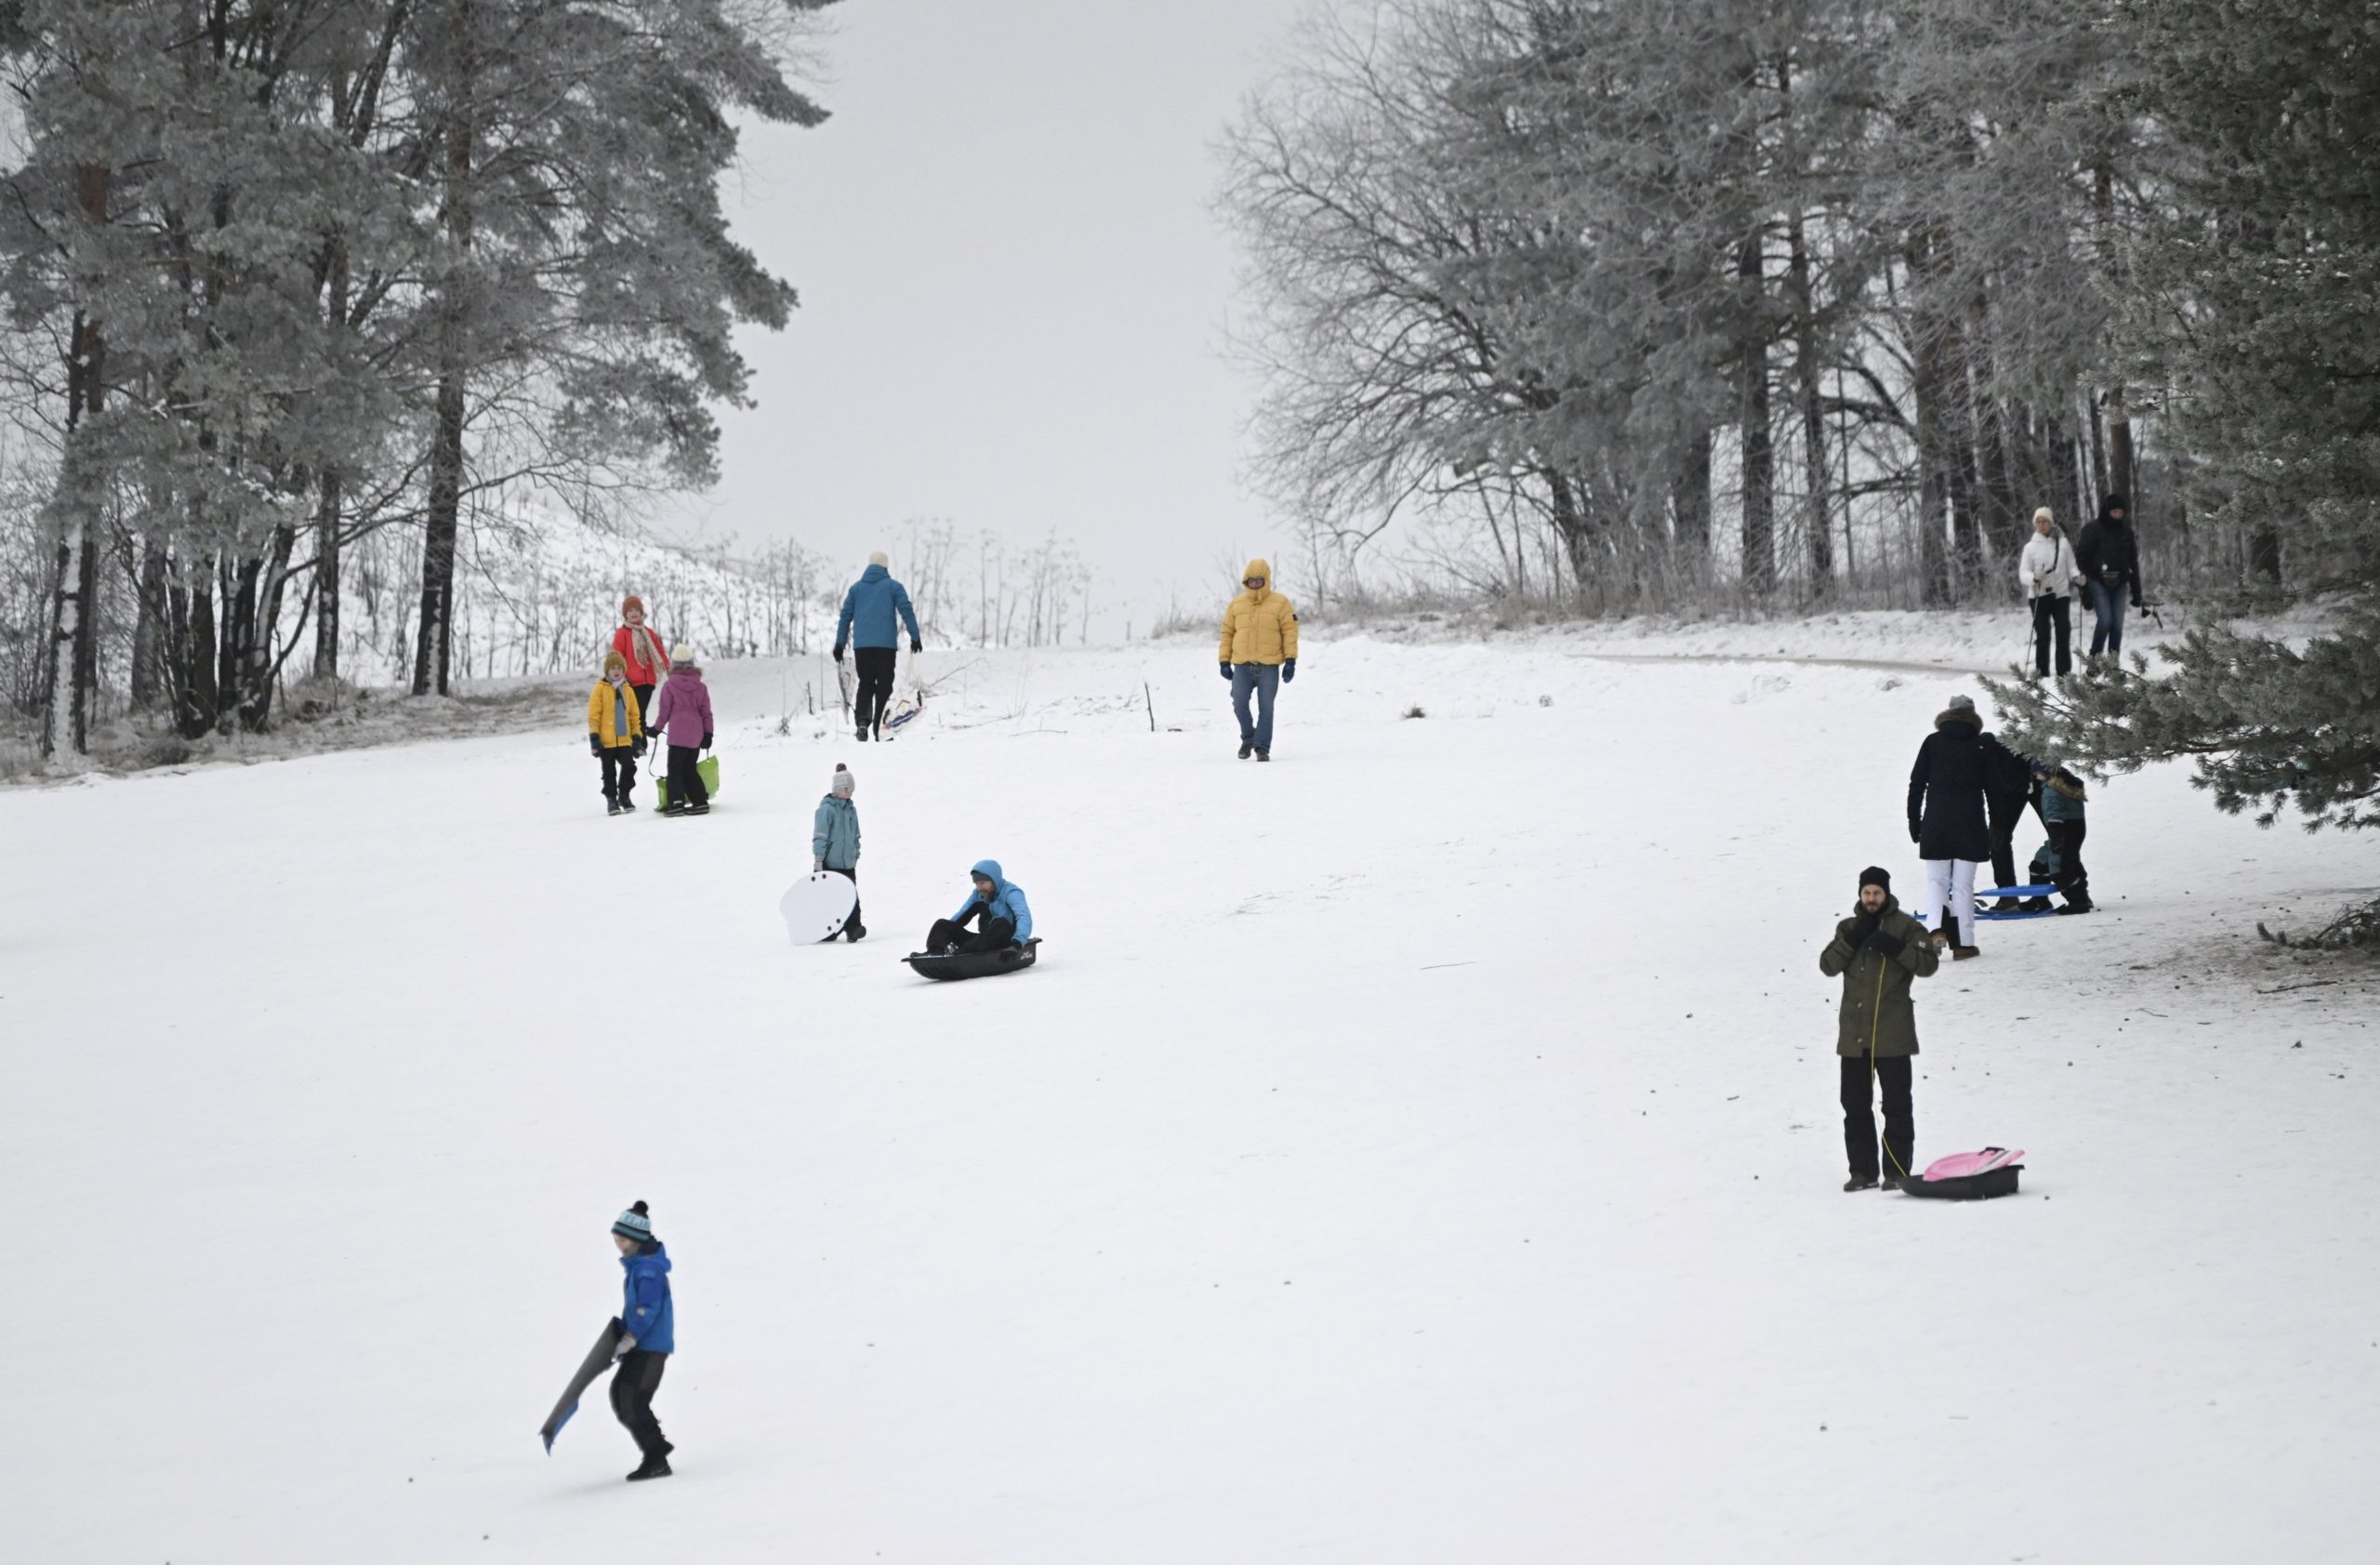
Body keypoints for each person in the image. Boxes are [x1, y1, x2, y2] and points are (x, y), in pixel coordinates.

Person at [1819, 867, 1940, 1191]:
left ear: (1886, 894)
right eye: (1867, 893)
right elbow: (1828, 966)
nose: (1871, 899)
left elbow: (1928, 965)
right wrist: (1853, 939)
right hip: (1854, 1036)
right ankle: (1862, 1172)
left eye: (1877, 893)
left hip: (1893, 1033)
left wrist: (1896, 948)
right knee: (1855, 1106)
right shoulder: (1847, 927)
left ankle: (1897, 1170)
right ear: (1860, 894)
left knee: (1897, 1105)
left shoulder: (1907, 927)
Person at [1908, 694, 2027, 959]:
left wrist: (1914, 819)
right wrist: (1997, 825)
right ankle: (1963, 944)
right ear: (1973, 717)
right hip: (1970, 824)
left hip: (1936, 822)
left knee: (1937, 882)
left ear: (1948, 714)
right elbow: (1994, 791)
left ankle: (1935, 932)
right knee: (1962, 885)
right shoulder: (1980, 746)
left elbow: (1916, 784)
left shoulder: (1932, 742)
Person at [607, 1200, 675, 1481]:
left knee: (632, 1400)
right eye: (616, 1240)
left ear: (635, 1240)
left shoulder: (648, 1271)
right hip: (640, 1346)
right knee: (621, 1396)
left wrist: (631, 1335)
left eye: (622, 1240)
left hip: (650, 1347)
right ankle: (656, 1448)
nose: (618, 1245)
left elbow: (647, 1309)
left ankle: (656, 1458)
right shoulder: (638, 1269)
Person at [832, 552, 922, 743]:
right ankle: (882, 729)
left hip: (862, 647)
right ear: (886, 568)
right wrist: (915, 636)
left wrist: (839, 643)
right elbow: (906, 609)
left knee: (866, 683)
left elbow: (845, 616)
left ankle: (862, 723)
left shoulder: (856, 589)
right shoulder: (893, 587)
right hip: (885, 647)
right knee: (884, 686)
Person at [1217, 558, 1299, 761]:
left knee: (1266, 707)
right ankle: (1248, 738)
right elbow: (1227, 632)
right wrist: (1224, 661)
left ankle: (1262, 748)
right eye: (1250, 580)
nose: (1254, 584)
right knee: (1238, 702)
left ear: (1266, 581)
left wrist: (1290, 660)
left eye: (1258, 580)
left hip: (1269, 666)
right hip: (1242, 665)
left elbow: (1290, 632)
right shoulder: (1236, 604)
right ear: (1246, 581)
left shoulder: (1281, 603)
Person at [2074, 492, 2144, 659]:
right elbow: (2081, 556)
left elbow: (2133, 562)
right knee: (2105, 620)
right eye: (2114, 512)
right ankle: (2095, 658)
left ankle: (2113, 664)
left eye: (2120, 512)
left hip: (2120, 582)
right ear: (2107, 511)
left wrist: (2137, 593)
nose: (2117, 515)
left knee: (2117, 625)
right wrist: (2091, 576)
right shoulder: (2093, 530)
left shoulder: (2127, 533)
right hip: (2098, 582)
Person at [647, 644, 714, 816]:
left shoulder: (670, 686)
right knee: (690, 769)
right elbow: (706, 713)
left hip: (677, 735)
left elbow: (664, 712)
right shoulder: (701, 687)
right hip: (696, 735)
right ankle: (700, 802)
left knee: (675, 770)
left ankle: (676, 803)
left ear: (674, 665)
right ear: (692, 664)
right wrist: (708, 734)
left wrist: (655, 729)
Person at [2018, 507, 2082, 678]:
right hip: (2038, 595)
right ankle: (2042, 672)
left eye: (2045, 521)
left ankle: (2064, 672)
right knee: (2043, 633)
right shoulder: (2030, 548)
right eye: (2038, 522)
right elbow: (2023, 573)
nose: (2042, 525)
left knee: (2063, 630)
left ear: (2051, 523)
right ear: (2035, 525)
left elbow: (2072, 566)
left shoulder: (2063, 543)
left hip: (2061, 594)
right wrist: (2033, 578)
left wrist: (2077, 577)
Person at [587, 650, 649, 816]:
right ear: (607, 670)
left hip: (624, 739)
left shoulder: (628, 690)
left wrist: (637, 739)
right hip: (606, 741)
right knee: (609, 771)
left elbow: (635, 717)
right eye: (613, 668)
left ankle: (624, 795)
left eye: (620, 668)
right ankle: (611, 800)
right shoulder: (600, 688)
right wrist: (594, 739)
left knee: (629, 767)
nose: (616, 671)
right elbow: (594, 715)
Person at [926, 859, 1032, 954]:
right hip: (982, 942)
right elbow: (961, 915)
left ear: (994, 880)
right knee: (943, 924)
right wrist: (946, 934)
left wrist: (1017, 943)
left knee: (1001, 923)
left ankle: (960, 954)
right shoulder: (978, 894)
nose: (979, 887)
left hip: (1007, 941)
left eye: (983, 883)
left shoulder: (1011, 893)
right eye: (976, 883)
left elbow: (1023, 916)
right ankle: (934, 952)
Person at [812, 762, 866, 942]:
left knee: (852, 897)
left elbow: (856, 835)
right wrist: (819, 859)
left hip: (848, 863)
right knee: (830, 899)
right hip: (830, 863)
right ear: (838, 789)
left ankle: (853, 929)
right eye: (847, 789)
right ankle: (828, 930)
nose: (850, 793)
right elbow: (820, 835)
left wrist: (855, 853)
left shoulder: (851, 810)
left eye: (851, 790)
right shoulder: (826, 810)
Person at [2036, 761, 2094, 914]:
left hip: (2063, 831)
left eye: (2037, 773)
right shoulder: (2067, 785)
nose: (2036, 776)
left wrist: (2055, 837)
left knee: (2061, 868)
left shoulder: (2051, 790)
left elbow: (2054, 813)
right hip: (2075, 829)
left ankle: (2078, 902)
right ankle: (2040, 899)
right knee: (2059, 861)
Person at [611, 597, 671, 721]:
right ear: (625, 614)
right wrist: (619, 676)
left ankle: (638, 739)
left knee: (639, 714)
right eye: (630, 610)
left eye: (636, 610)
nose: (634, 613)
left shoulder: (649, 633)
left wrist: (668, 667)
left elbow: (659, 651)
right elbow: (618, 656)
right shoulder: (622, 633)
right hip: (630, 681)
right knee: (638, 715)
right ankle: (638, 739)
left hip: (648, 681)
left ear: (641, 613)